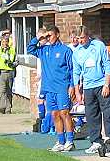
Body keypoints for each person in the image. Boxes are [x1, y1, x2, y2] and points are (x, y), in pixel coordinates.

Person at [27, 24, 75, 152]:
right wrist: (38, 38)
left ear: (57, 35)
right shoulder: (44, 50)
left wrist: (72, 86)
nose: (48, 38)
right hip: (49, 89)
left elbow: (72, 70)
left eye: (50, 35)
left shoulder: (65, 50)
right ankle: (60, 141)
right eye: (46, 36)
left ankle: (70, 140)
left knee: (64, 113)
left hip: (62, 88)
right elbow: (30, 49)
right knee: (54, 115)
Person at [72, 25, 110, 155]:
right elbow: (76, 73)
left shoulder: (98, 45)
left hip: (102, 84)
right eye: (78, 38)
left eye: (83, 38)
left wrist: (106, 85)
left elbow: (107, 64)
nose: (80, 41)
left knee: (108, 113)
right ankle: (96, 141)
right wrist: (78, 91)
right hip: (88, 87)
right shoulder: (77, 52)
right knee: (91, 115)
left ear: (88, 36)